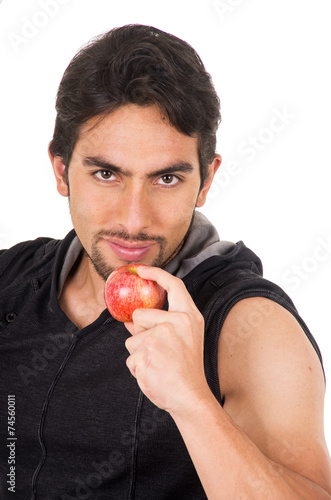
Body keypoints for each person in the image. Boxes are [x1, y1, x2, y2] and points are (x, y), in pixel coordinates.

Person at [0, 24, 330, 500]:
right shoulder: (11, 278)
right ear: (61, 171)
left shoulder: (253, 327)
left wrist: (193, 402)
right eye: (107, 174)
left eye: (167, 179)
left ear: (206, 180)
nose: (134, 221)